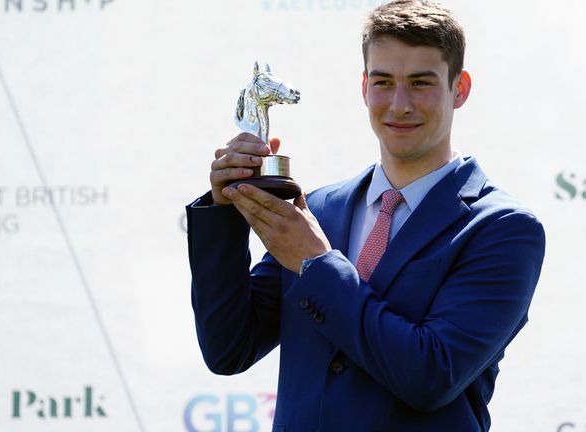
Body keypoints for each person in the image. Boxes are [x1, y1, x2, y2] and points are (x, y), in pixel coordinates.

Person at [186, 1, 545, 430]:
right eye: (383, 82)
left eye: (420, 83)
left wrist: (316, 264)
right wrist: (227, 207)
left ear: (460, 88)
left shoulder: (502, 228)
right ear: (364, 87)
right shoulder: (319, 210)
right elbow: (229, 349)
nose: (399, 104)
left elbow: (431, 376)